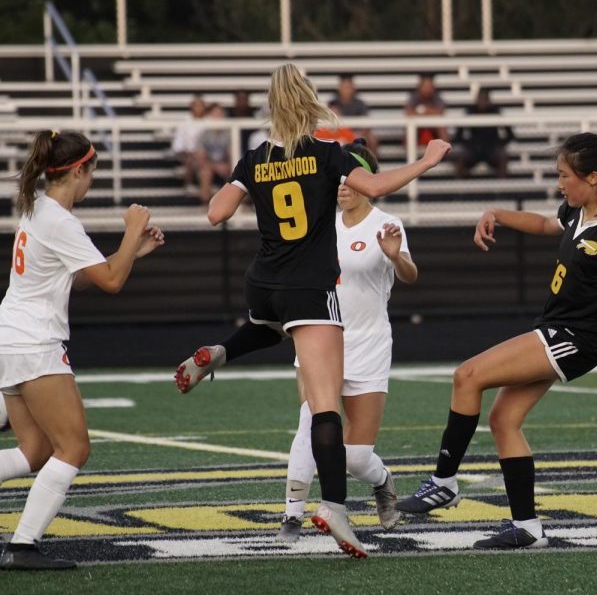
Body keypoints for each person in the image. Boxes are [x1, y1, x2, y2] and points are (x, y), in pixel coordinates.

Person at [174, 63, 450, 559]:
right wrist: (427, 160)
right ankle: (336, 507)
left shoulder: (254, 157)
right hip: (310, 288)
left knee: (270, 327)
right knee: (325, 408)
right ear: (308, 101)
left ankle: (219, 352)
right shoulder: (326, 153)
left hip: (263, 282)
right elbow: (379, 186)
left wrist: (246, 181)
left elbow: (216, 213)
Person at [395, 132, 597, 550]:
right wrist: (497, 212)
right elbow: (549, 224)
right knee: (502, 420)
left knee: (467, 376)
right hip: (556, 328)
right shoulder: (578, 210)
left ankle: (444, 482)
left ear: (594, 177)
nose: (560, 184)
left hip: (574, 338)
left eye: (564, 176)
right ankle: (528, 527)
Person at [172, 142, 416, 538]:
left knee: (355, 458)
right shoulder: (320, 219)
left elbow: (410, 275)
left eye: (350, 178)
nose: (342, 186)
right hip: (319, 331)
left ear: (365, 180)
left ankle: (382, 480)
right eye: (339, 179)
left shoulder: (386, 224)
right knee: (310, 421)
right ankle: (292, 514)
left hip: (369, 343)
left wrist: (395, 256)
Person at [0, 130, 164, 570]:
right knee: (73, 447)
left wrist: (133, 252)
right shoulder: (58, 219)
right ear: (78, 171)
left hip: (12, 338)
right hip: (34, 343)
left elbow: (80, 274)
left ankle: (22, 545)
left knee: (33, 451)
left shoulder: (40, 211)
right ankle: (22, 546)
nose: (92, 181)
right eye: (92, 173)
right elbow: (111, 282)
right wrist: (131, 233)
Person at [454, 88, 514, 178]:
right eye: (480, 99)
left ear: (489, 100)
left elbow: (510, 134)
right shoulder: (470, 111)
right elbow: (458, 135)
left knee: (503, 156)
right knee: (461, 157)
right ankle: (460, 187)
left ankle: (503, 187)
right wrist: (467, 144)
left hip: (492, 148)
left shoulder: (496, 112)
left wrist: (500, 143)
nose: (482, 102)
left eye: (484, 99)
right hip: (473, 148)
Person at [329, 74, 378, 153]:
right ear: (339, 88)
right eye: (344, 87)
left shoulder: (360, 103)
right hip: (339, 133)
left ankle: (371, 163)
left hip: (357, 133)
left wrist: (358, 135)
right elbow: (330, 123)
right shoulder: (333, 103)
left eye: (348, 87)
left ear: (353, 88)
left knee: (372, 139)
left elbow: (366, 124)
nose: (346, 90)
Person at [195, 103, 232, 203]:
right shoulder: (203, 134)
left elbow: (232, 155)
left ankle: (234, 206)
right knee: (205, 173)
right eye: (215, 115)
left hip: (224, 166)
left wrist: (227, 165)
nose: (218, 118)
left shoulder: (229, 133)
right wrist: (216, 167)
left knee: (236, 171)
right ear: (209, 116)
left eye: (220, 115)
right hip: (209, 167)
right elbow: (201, 159)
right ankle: (205, 205)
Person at [172, 94, 206, 189]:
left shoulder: (208, 121)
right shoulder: (184, 122)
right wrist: (188, 153)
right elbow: (178, 144)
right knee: (191, 159)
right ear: (192, 107)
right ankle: (189, 184)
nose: (198, 108)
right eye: (196, 105)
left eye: (201, 105)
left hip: (205, 154)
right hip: (187, 154)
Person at [405, 73, 449, 145]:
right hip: (418, 127)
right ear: (420, 87)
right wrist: (427, 113)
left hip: (433, 128)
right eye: (425, 86)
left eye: (429, 86)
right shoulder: (414, 97)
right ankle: (409, 153)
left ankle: (444, 150)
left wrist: (424, 111)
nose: (427, 89)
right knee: (410, 128)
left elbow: (440, 112)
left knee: (442, 127)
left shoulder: (436, 97)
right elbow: (408, 112)